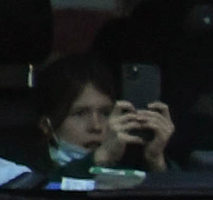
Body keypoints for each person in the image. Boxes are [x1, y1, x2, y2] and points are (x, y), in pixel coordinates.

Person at [34, 54, 173, 181]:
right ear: (46, 125)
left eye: (105, 113)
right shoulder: (25, 171)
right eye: (80, 113)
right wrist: (100, 158)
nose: (96, 126)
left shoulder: (129, 171)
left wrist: (156, 162)